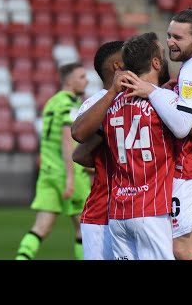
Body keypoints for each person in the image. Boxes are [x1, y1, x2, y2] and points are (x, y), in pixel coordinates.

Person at [71, 32, 192, 260]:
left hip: (118, 211)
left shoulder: (109, 104)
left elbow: (80, 151)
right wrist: (173, 101)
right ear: (154, 63)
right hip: (148, 208)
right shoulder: (162, 101)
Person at [119, 8, 192, 260]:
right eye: (169, 35)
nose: (170, 42)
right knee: (172, 248)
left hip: (191, 168)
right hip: (189, 166)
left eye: (178, 37)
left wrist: (154, 92)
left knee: (182, 249)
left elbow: (182, 125)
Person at [15, 62, 90, 260]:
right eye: (81, 77)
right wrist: (71, 178)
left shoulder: (51, 102)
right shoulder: (69, 104)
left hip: (47, 172)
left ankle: (21, 258)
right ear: (69, 80)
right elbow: (67, 140)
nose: (86, 80)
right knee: (85, 227)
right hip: (68, 173)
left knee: (41, 228)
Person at [71, 40, 125, 260]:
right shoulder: (93, 105)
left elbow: (80, 155)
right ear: (118, 66)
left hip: (138, 208)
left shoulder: (144, 96)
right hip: (104, 209)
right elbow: (79, 142)